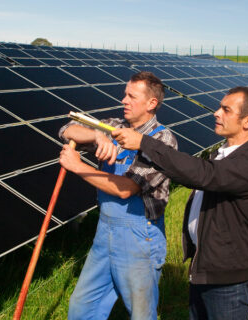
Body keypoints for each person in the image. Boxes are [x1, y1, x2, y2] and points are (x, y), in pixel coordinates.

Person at [112, 86, 248, 319]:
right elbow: (198, 174)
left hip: (228, 278)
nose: (216, 113)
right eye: (219, 107)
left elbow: (203, 175)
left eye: (226, 110)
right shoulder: (224, 154)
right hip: (207, 267)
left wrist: (145, 143)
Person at [58, 71, 178, 319]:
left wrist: (78, 166)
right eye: (125, 94)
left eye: (132, 96)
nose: (124, 100)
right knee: (82, 307)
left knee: (141, 313)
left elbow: (126, 189)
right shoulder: (114, 126)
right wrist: (96, 135)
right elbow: (67, 129)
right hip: (105, 233)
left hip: (139, 238)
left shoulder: (161, 140)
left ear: (151, 103)